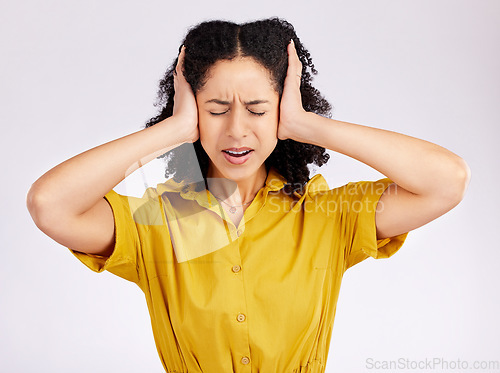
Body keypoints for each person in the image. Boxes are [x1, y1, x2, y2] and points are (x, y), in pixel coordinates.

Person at [26, 17, 471, 373]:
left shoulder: (327, 214)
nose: (236, 129)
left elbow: (447, 180)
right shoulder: (160, 220)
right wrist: (173, 132)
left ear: (283, 108)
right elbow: (50, 204)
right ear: (191, 109)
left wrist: (306, 124)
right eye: (215, 110)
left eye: (258, 109)